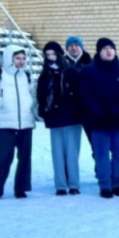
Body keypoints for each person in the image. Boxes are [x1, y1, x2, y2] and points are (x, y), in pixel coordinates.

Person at [80, 38, 119, 198]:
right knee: (101, 154)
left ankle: (117, 183)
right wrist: (100, 111)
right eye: (105, 48)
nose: (109, 51)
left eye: (111, 48)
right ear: (99, 51)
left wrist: (117, 110)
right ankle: (105, 185)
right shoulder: (88, 71)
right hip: (98, 121)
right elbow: (85, 95)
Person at [0, 45, 36, 201]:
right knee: (5, 157)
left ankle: (20, 189)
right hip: (4, 124)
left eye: (24, 58)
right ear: (9, 58)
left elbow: (33, 97)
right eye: (17, 58)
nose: (21, 61)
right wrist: (3, 102)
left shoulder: (27, 76)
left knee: (25, 157)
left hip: (25, 123)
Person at [38, 41, 82, 196]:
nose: (51, 57)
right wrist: (45, 111)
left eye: (53, 54)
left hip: (72, 118)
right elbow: (41, 96)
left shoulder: (71, 72)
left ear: (59, 54)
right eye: (48, 55)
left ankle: (74, 184)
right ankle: (60, 186)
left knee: (72, 153)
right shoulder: (45, 75)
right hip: (54, 118)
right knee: (57, 153)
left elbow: (80, 94)